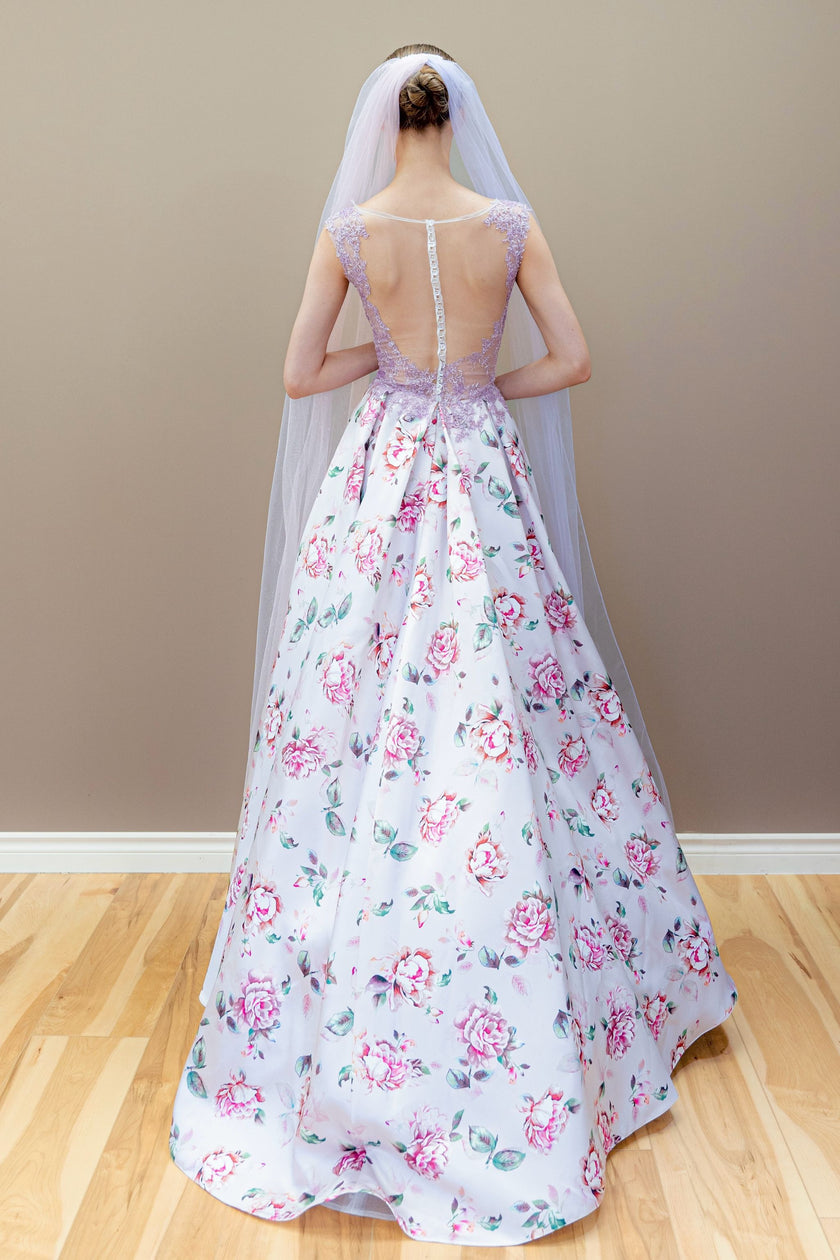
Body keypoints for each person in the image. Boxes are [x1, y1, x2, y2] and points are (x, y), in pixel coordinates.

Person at [169, 45, 737, 1246]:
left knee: (355, 716)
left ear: (384, 120)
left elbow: (294, 376)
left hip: (380, 482)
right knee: (516, 715)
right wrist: (474, 384)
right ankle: (532, 997)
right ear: (458, 116)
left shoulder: (350, 230)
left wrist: (387, 364)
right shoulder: (509, 223)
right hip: (478, 467)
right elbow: (575, 359)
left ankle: (355, 1001)